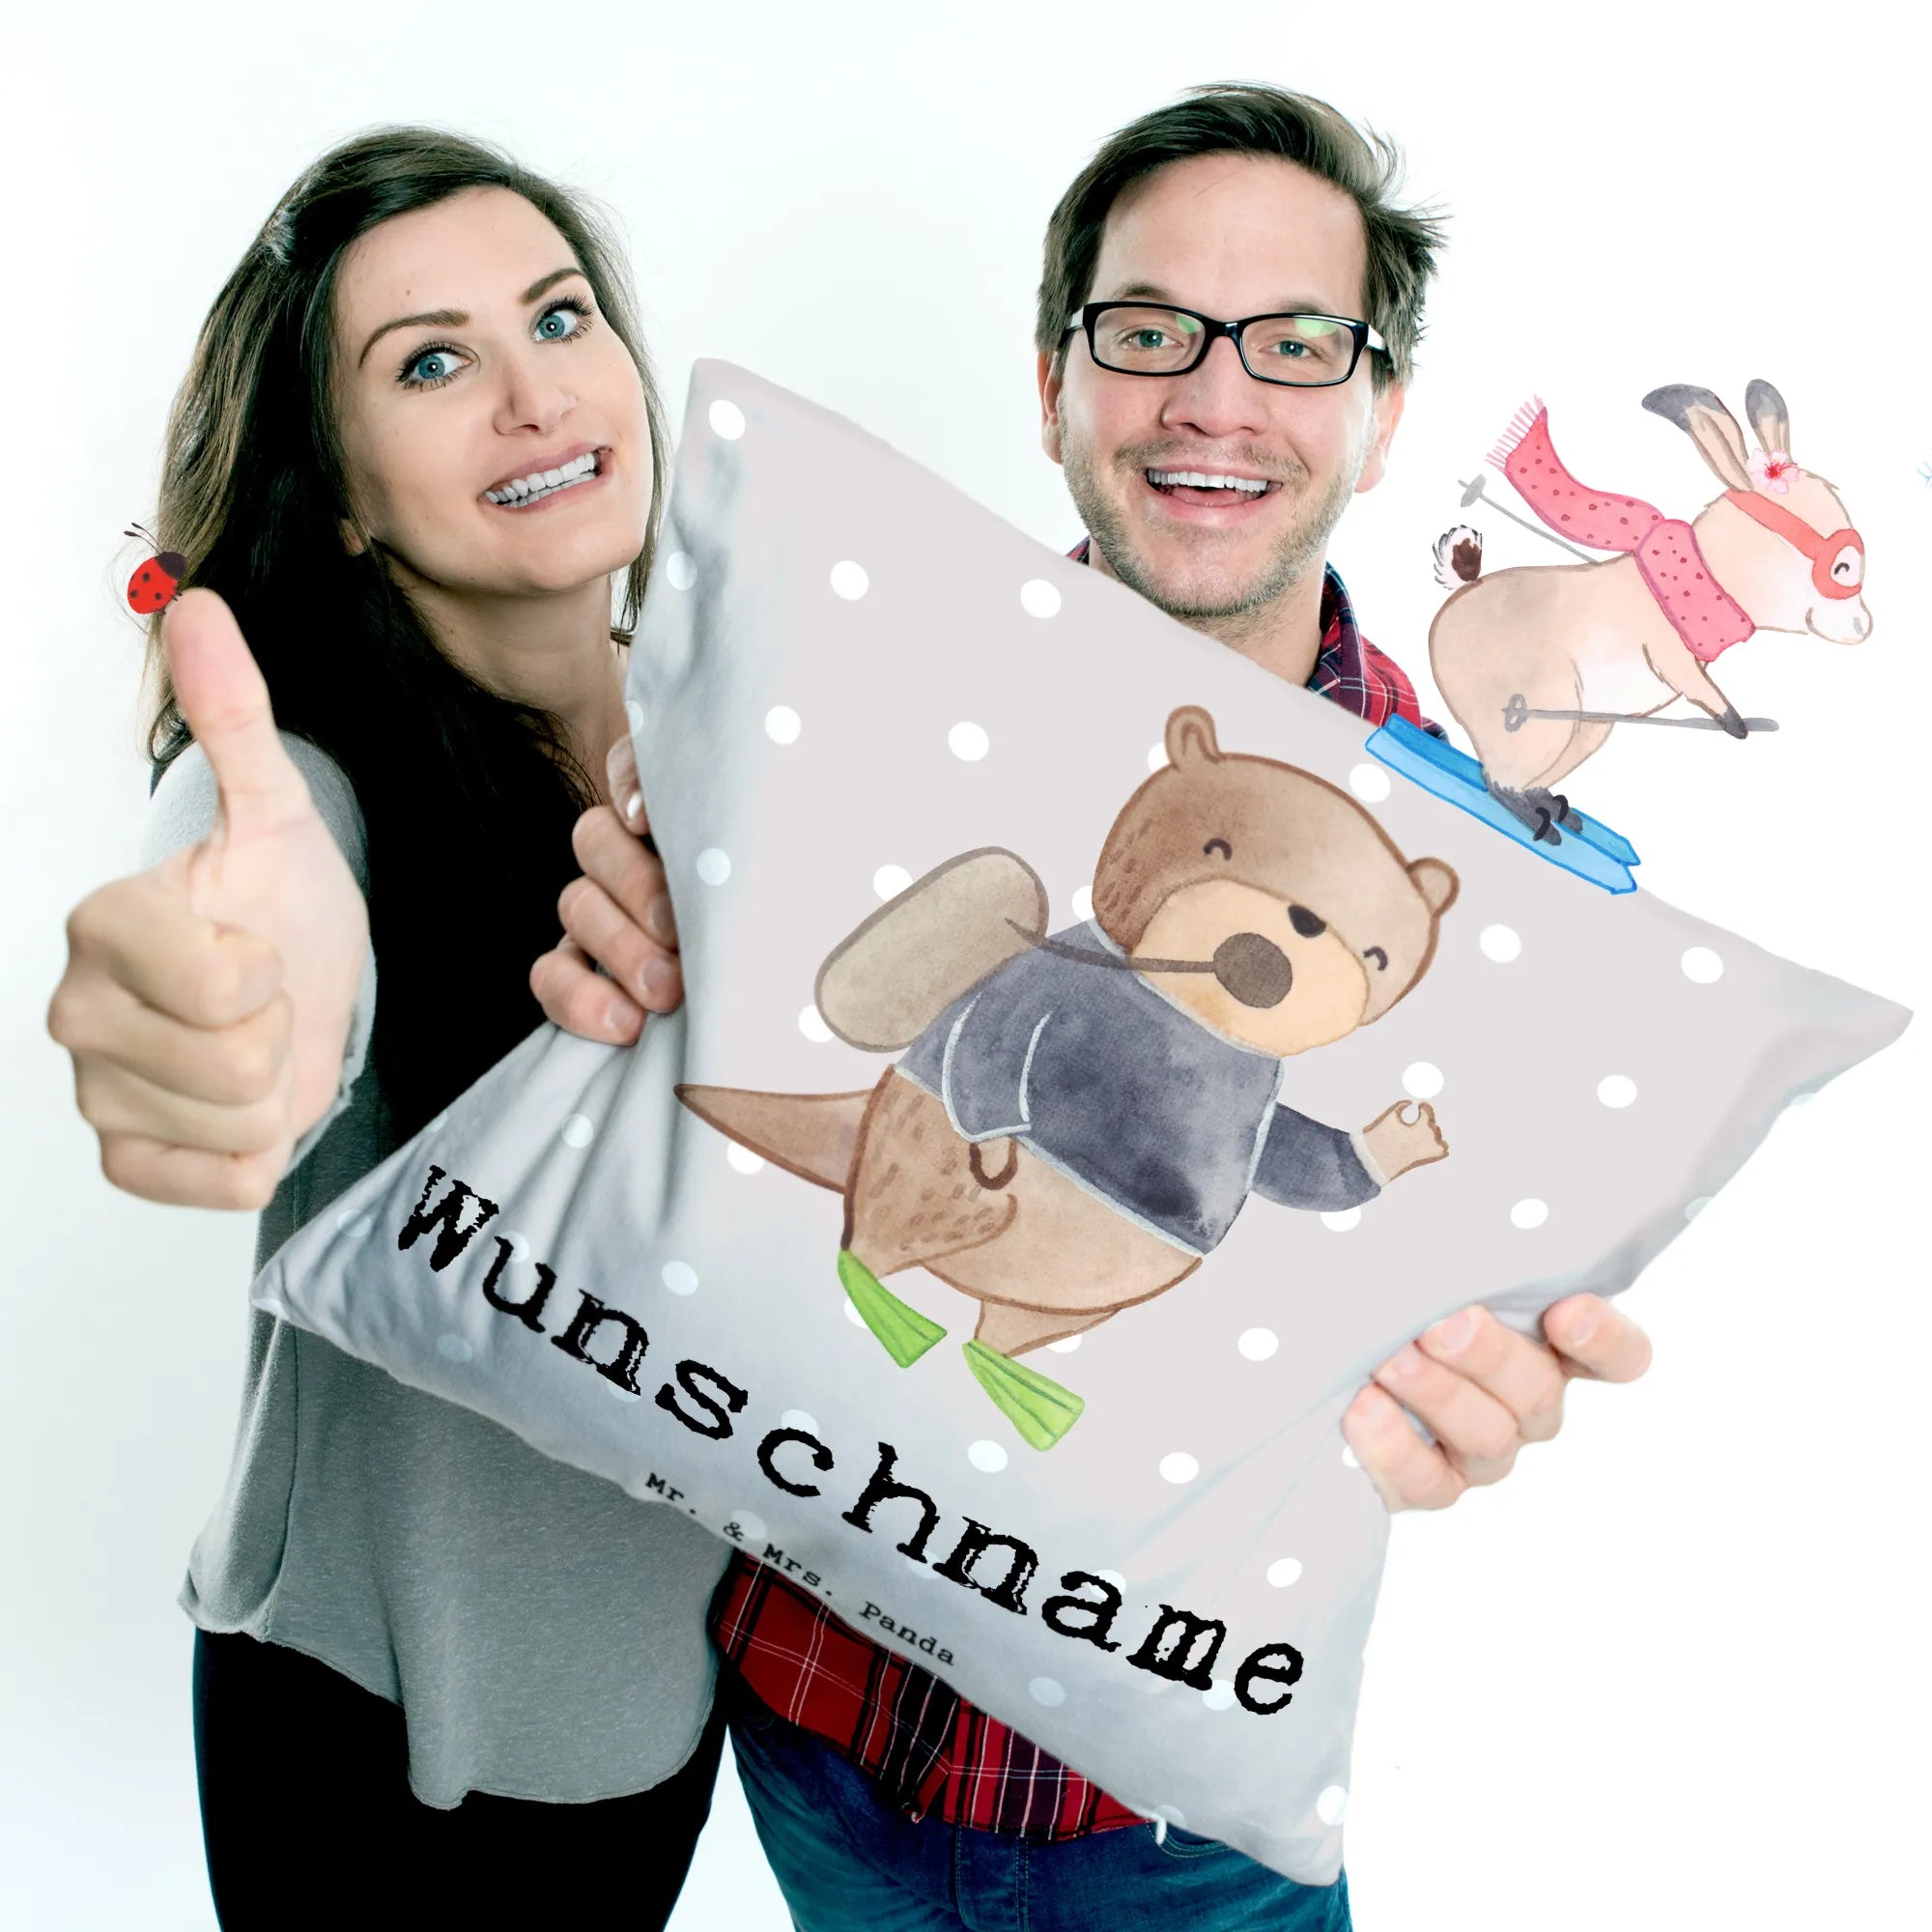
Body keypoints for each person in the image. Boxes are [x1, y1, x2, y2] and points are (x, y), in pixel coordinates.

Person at [534, 84, 1656, 1929]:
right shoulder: (842, 699)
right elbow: (686, 1133)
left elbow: (1445, 1298)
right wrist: (626, 969)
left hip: (1181, 1818)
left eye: (1297, 343)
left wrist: (1482, 1379)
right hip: (808, 1737)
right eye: (1150, 332)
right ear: (1054, 383)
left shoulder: (1492, 888)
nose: (1216, 398)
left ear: (1381, 418)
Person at [44, 130, 730, 1926]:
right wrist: (221, 1001)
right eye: (430, 363)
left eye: (559, 318)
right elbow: (254, 901)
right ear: (342, 496)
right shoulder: (309, 782)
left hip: (661, 1709)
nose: (532, 394)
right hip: (378, 1740)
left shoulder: (738, 744)